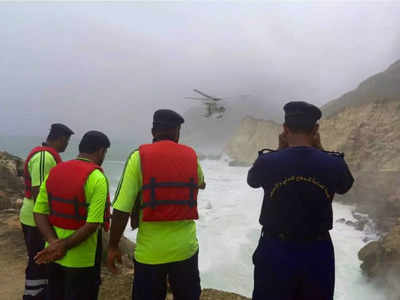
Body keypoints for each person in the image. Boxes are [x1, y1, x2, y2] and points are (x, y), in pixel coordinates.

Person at [248, 101, 354, 300]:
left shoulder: (267, 161)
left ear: (285, 129)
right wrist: (320, 148)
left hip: (274, 248)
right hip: (317, 250)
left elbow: (252, 181)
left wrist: (280, 149)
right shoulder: (333, 162)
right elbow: (345, 186)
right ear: (315, 129)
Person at [107, 109, 206, 300]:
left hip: (151, 253)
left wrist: (112, 245)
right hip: (186, 249)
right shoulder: (191, 156)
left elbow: (121, 209)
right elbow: (201, 183)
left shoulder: (138, 157)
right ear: (177, 132)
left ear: (153, 132)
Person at [33, 130, 111, 300]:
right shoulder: (96, 177)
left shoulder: (55, 171)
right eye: (105, 152)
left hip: (52, 254)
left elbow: (39, 211)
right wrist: (63, 246)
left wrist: (53, 242)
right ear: (100, 151)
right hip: (82, 260)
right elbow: (92, 224)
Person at [20, 123, 74, 299]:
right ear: (60, 139)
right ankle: (33, 296)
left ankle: (40, 294)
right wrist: (48, 224)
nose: (67, 145)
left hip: (37, 218)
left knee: (43, 261)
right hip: (35, 219)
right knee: (39, 260)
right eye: (67, 141)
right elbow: (40, 193)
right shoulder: (44, 157)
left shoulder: (48, 155)